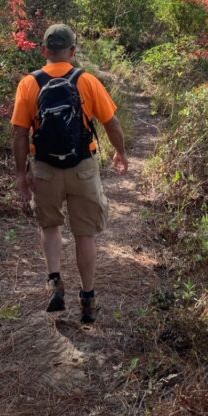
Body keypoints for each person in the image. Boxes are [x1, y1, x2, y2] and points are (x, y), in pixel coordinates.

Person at [11, 24, 128, 324]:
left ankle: (54, 282)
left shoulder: (28, 83)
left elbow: (19, 133)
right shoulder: (86, 81)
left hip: (45, 168)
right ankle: (87, 298)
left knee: (50, 227)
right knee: (84, 234)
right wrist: (120, 152)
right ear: (72, 51)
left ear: (44, 50)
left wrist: (21, 174)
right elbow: (111, 123)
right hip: (82, 168)